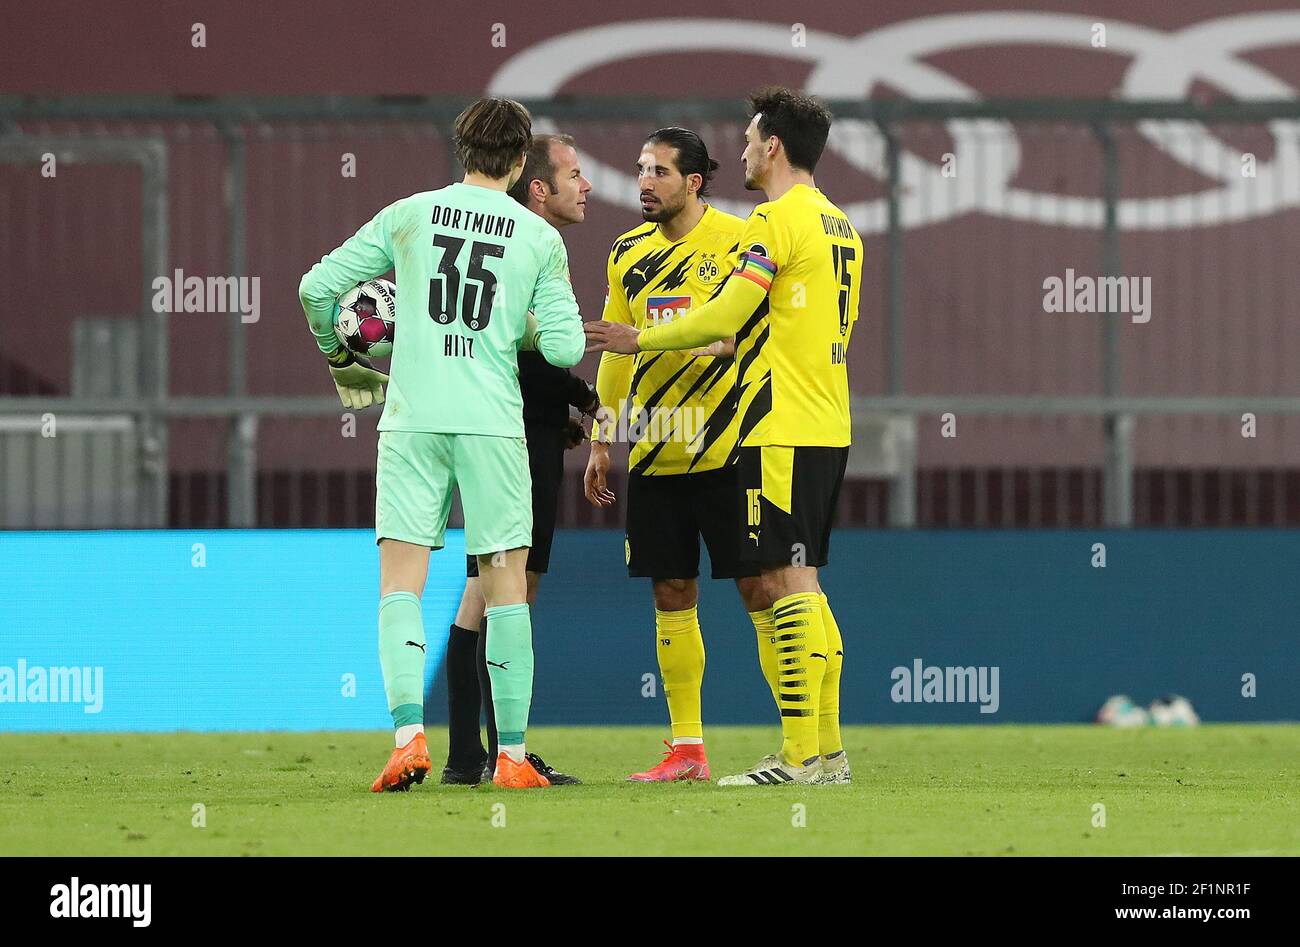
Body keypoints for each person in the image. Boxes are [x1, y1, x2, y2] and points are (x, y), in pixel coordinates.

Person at [300, 97, 585, 791]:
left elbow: (316, 288)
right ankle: (512, 758)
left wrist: (346, 365)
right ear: (521, 164)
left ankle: (406, 740)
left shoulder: (408, 215)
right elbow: (567, 344)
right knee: (506, 587)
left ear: (462, 153)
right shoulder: (539, 239)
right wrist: (512, 325)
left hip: (412, 418)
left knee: (400, 584)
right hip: (490, 423)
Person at [585, 88, 863, 786]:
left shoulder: (770, 221)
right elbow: (844, 324)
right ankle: (825, 752)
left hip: (775, 427)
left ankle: (801, 756)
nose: (740, 149)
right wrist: (606, 428)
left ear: (772, 146)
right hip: (828, 418)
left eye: (747, 139)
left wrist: (639, 336)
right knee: (807, 583)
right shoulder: (841, 226)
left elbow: (727, 316)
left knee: (784, 584)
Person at [585, 127, 770, 782]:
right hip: (658, 450)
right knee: (671, 590)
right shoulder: (626, 252)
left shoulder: (739, 241)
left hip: (729, 447)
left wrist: (686, 342)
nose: (643, 181)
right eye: (639, 168)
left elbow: (741, 337)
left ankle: (803, 741)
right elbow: (614, 345)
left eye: (658, 170)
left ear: (692, 182)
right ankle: (687, 748)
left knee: (761, 587)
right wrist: (601, 435)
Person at [438, 132, 600, 787]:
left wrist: (562, 405)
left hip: (502, 429)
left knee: (485, 589)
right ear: (539, 187)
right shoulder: (531, 244)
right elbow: (532, 348)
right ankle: (499, 753)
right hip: (513, 440)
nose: (586, 186)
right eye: (575, 173)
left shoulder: (493, 239)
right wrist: (583, 397)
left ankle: (471, 754)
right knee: (505, 591)